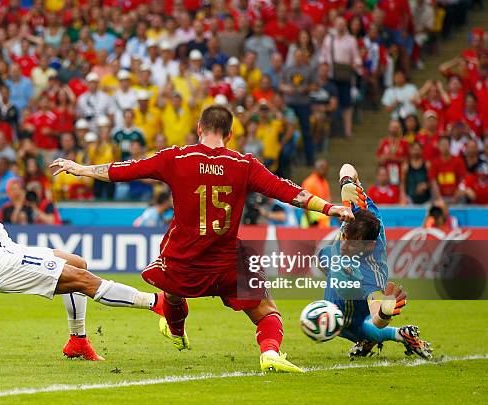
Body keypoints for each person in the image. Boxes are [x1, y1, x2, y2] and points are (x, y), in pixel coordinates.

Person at [51, 105, 354, 373]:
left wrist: (81, 169)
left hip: (183, 259)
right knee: (265, 310)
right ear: (230, 134)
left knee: (171, 293)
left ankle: (176, 331)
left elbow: (125, 170)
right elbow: (289, 192)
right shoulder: (244, 164)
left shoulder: (176, 157)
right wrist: (330, 207)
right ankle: (270, 353)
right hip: (226, 261)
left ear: (199, 129)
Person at [0, 130, 163, 361]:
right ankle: (156, 302)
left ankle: (78, 341)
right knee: (84, 280)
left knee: (78, 263)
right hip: (2, 263)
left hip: (11, 250)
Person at [317, 163, 433, 359]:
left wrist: (384, 313)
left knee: (338, 322)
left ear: (368, 246)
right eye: (345, 236)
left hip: (356, 280)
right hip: (337, 264)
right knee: (324, 254)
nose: (344, 245)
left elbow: (377, 316)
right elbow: (347, 167)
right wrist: (346, 182)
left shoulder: (372, 271)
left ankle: (399, 334)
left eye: (352, 245)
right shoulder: (362, 208)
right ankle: (368, 338)